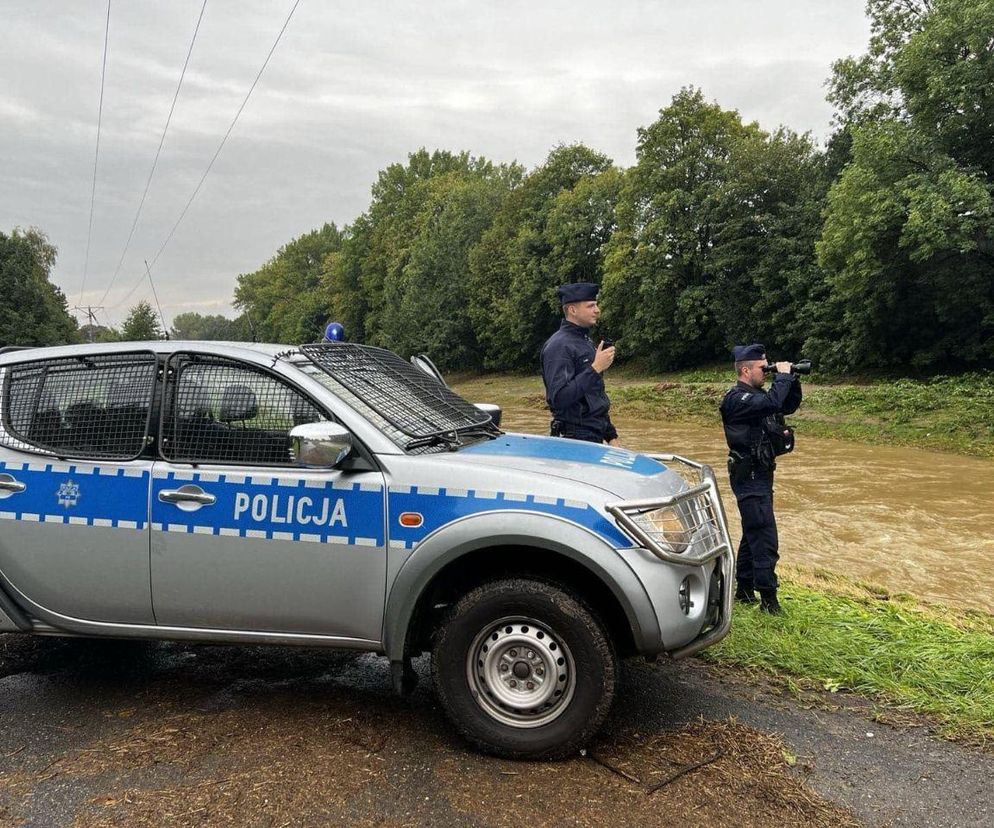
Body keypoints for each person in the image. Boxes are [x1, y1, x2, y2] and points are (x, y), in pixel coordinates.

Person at [719, 344, 802, 615]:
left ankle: (743, 588)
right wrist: (782, 376)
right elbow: (773, 402)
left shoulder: (757, 396)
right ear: (745, 370)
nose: (765, 372)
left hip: (762, 474)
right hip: (749, 476)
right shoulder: (736, 399)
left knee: (753, 531)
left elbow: (786, 404)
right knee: (764, 535)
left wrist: (793, 378)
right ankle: (769, 600)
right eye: (761, 368)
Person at [540, 282, 618, 445]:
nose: (597, 310)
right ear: (572, 310)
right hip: (574, 439)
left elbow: (594, 395)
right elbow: (559, 398)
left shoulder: (585, 342)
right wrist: (596, 368)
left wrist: (611, 436)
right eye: (590, 306)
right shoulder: (559, 346)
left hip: (595, 435)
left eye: (596, 305)